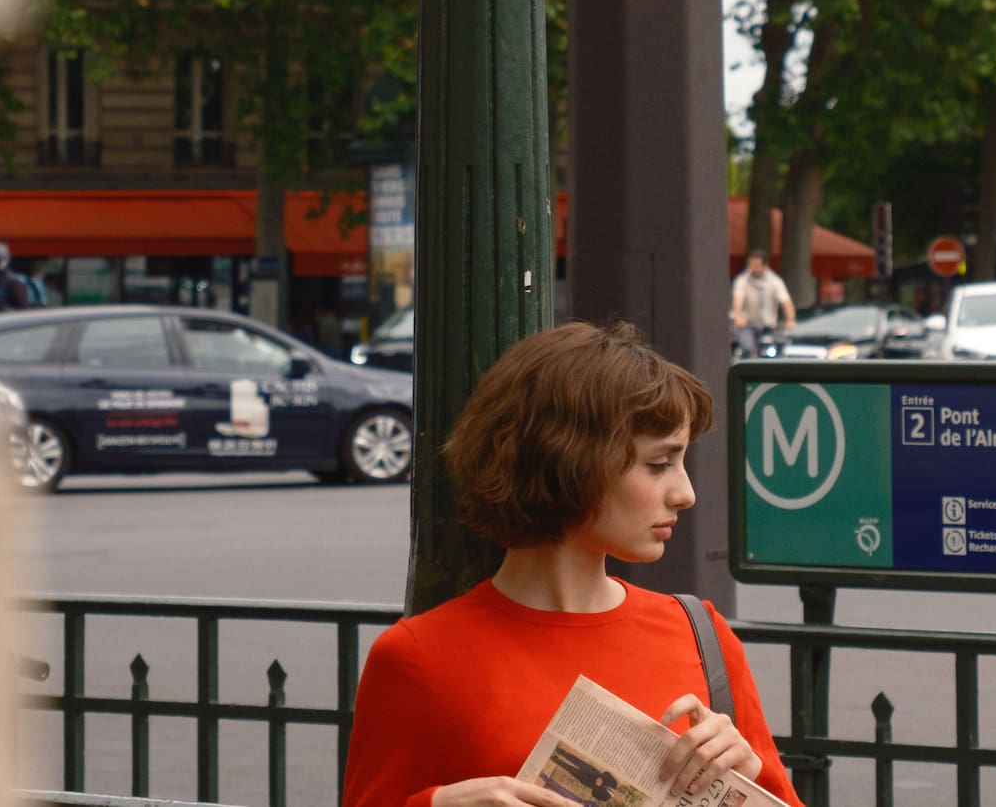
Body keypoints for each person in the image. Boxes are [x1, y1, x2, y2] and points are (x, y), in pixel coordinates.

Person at [342, 321, 802, 807]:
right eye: (659, 464)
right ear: (572, 459)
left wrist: (749, 772)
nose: (685, 494)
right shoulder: (418, 658)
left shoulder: (701, 634)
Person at [729, 251, 794, 358]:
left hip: (768, 326)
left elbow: (786, 302)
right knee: (748, 347)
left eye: (756, 265)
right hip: (748, 325)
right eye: (751, 265)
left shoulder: (775, 281)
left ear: (765, 266)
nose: (753, 268)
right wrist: (738, 317)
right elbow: (738, 300)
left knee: (777, 349)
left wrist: (790, 319)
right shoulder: (742, 280)